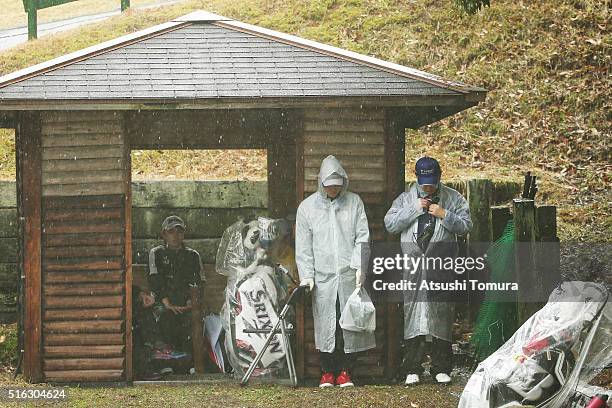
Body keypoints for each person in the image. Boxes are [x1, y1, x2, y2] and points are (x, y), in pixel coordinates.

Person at [384, 157, 472, 386]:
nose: (428, 186)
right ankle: (412, 368)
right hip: (413, 266)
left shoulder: (453, 198)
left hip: (441, 266)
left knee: (441, 315)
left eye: (432, 182)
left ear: (440, 177)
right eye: (424, 183)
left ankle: (441, 368)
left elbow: (466, 225)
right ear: (417, 178)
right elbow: (390, 224)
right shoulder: (405, 198)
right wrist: (415, 209)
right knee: (414, 315)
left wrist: (444, 214)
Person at [296, 155, 375, 388]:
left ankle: (345, 371)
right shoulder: (307, 208)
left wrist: (360, 266)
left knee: (348, 325)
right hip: (322, 278)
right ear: (321, 184)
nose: (333, 190)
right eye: (329, 187)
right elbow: (304, 247)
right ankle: (327, 372)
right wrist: (307, 276)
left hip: (349, 275)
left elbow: (362, 238)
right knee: (325, 325)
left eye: (337, 187)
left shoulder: (354, 203)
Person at [148, 215, 205, 353]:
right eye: (171, 231)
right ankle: (167, 363)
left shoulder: (193, 255)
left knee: (194, 320)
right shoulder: (156, 253)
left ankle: (190, 364)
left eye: (179, 231)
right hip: (164, 303)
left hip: (186, 304)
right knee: (164, 317)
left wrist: (191, 301)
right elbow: (155, 280)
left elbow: (200, 281)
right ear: (164, 234)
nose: (176, 235)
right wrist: (168, 304)